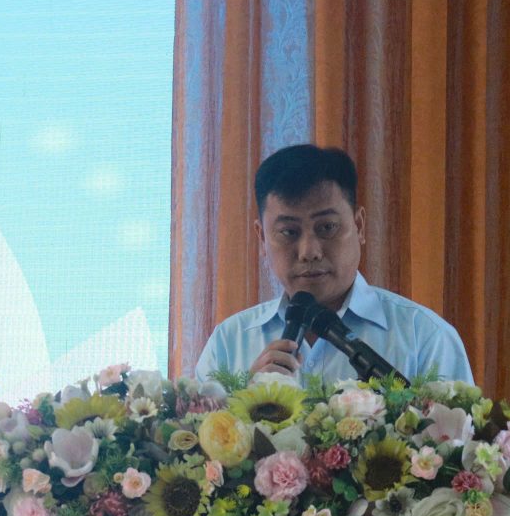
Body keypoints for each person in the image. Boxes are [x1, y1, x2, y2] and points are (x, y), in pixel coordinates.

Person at [194, 144, 473, 385]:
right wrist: (244, 404)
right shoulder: (228, 344)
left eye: (327, 227)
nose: (309, 252)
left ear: (359, 226)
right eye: (289, 232)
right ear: (262, 238)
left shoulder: (425, 338)